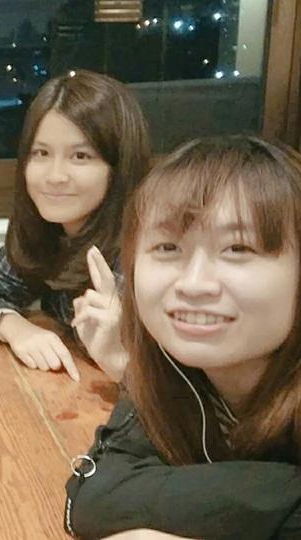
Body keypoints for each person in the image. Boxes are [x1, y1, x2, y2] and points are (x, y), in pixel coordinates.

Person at [65, 136, 301, 539]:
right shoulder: (167, 366)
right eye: (168, 247)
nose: (193, 284)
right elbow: (92, 497)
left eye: (238, 248)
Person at [0, 70, 151, 382]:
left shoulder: (145, 254)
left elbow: (182, 388)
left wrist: (120, 352)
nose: (55, 176)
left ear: (119, 167)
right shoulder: (54, 234)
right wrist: (17, 329)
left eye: (80, 156)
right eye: (41, 153)